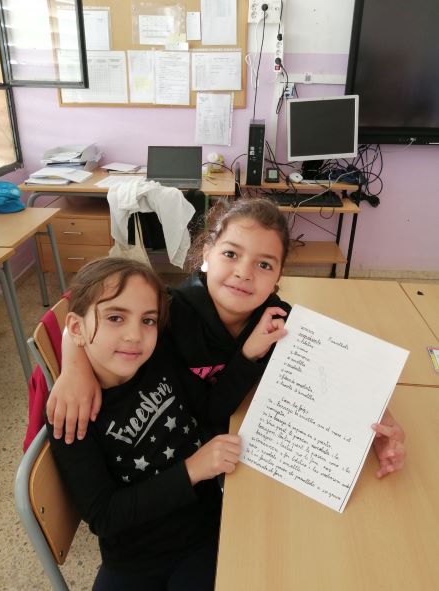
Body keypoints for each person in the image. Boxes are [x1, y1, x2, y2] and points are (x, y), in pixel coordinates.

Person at [47, 197, 405, 479]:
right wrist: (74, 368)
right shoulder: (171, 309)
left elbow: (337, 366)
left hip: (251, 446)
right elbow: (79, 306)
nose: (244, 273)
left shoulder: (276, 319)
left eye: (264, 264)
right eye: (231, 254)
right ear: (207, 254)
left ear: (279, 274)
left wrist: (379, 422)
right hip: (186, 457)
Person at [45, 257, 251, 590]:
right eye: (115, 317)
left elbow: (209, 409)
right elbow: (104, 515)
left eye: (148, 320)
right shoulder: (71, 412)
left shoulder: (160, 354)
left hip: (204, 532)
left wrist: (249, 356)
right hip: (134, 558)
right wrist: (192, 469)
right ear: (77, 328)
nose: (134, 335)